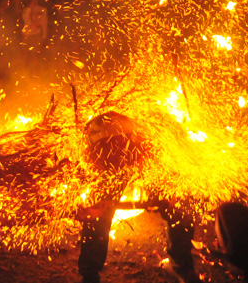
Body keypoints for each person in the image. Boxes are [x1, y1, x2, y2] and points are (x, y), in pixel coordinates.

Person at [77, 112, 200, 283]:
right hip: (126, 142)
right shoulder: (101, 147)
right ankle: (90, 274)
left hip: (133, 143)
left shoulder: (146, 142)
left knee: (180, 204)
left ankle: (180, 266)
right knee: (98, 213)